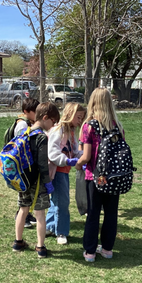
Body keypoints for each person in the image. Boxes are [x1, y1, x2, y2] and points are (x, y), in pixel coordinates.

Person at [76, 88, 124, 262]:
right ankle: (107, 249)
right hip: (114, 177)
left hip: (94, 177)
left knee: (93, 213)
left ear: (93, 102)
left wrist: (78, 164)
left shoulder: (89, 126)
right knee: (111, 213)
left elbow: (87, 156)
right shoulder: (117, 125)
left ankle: (89, 252)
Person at [12, 102, 60, 258]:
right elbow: (42, 164)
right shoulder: (41, 137)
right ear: (45, 118)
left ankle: (18, 242)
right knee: (40, 214)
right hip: (37, 181)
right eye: (52, 122)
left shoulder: (24, 132)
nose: (53, 125)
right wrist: (47, 182)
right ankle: (40, 247)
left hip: (23, 179)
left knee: (23, 209)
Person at [46, 102, 85, 245]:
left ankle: (49, 226)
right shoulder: (59, 130)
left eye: (82, 118)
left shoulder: (71, 131)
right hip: (57, 171)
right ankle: (61, 231)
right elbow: (53, 152)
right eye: (78, 117)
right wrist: (68, 161)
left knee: (56, 199)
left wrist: (84, 155)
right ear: (70, 114)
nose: (80, 121)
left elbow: (74, 150)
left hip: (63, 170)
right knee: (62, 201)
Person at [12, 98, 40, 228]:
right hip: (23, 165)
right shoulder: (22, 125)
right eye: (34, 111)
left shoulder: (29, 122)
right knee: (24, 194)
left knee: (27, 194)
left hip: (26, 164)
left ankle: (26, 215)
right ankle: (22, 216)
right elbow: (20, 143)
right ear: (26, 112)